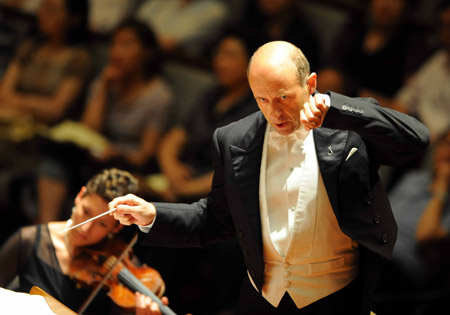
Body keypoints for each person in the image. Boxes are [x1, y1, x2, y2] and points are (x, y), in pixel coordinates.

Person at [109, 41, 430, 314]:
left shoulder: (347, 129)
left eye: (284, 98)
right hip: (262, 297)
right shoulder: (233, 139)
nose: (275, 113)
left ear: (311, 84)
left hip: (335, 297)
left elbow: (416, 139)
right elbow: (215, 219)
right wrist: (154, 214)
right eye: (262, 99)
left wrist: (339, 109)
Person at [36, 18, 174, 224]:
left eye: (127, 44)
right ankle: (47, 229)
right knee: (55, 157)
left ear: (146, 53)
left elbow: (146, 154)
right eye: (114, 44)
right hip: (93, 156)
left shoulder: (159, 95)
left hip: (125, 165)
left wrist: (116, 153)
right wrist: (105, 87)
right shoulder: (104, 81)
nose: (116, 52)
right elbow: (89, 130)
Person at [0, 168, 166, 314]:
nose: (85, 228)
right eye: (86, 211)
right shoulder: (29, 240)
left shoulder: (122, 265)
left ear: (116, 228)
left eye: (101, 223)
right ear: (79, 196)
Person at [154, 30, 259, 203]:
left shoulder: (256, 110)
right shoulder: (212, 94)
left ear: (252, 64)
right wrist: (172, 170)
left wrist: (185, 190)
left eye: (230, 55)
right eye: (219, 53)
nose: (220, 61)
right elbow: (176, 136)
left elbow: (234, 171)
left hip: (213, 198)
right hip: (180, 178)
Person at [317, 0, 433, 104]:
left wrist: (355, 92)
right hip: (338, 99)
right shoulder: (355, 27)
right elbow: (330, 68)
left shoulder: (414, 44)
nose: (385, 5)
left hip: (379, 113)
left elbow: (406, 103)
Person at [0, 0, 91, 124]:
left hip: (49, 134)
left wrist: (16, 102)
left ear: (73, 19)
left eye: (52, 10)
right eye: (42, 7)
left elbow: (55, 110)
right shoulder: (30, 47)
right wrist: (35, 106)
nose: (42, 14)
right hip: (12, 121)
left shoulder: (79, 58)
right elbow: (4, 92)